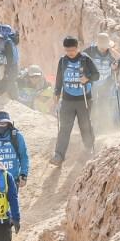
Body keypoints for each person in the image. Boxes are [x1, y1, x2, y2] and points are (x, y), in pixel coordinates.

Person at [50, 36, 101, 166]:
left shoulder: (85, 59)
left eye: (73, 50)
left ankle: (89, 148)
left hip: (84, 99)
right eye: (67, 50)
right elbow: (59, 78)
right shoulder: (63, 61)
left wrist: (87, 78)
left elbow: (96, 75)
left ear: (78, 48)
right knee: (65, 127)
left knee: (85, 125)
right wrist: (56, 93)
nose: (70, 53)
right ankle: (59, 155)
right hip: (67, 100)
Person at [83, 33, 120, 132]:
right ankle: (90, 127)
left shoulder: (111, 52)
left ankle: (104, 126)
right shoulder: (90, 51)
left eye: (106, 45)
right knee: (92, 103)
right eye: (102, 46)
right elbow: (81, 58)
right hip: (92, 82)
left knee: (104, 103)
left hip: (106, 82)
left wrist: (115, 65)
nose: (104, 48)